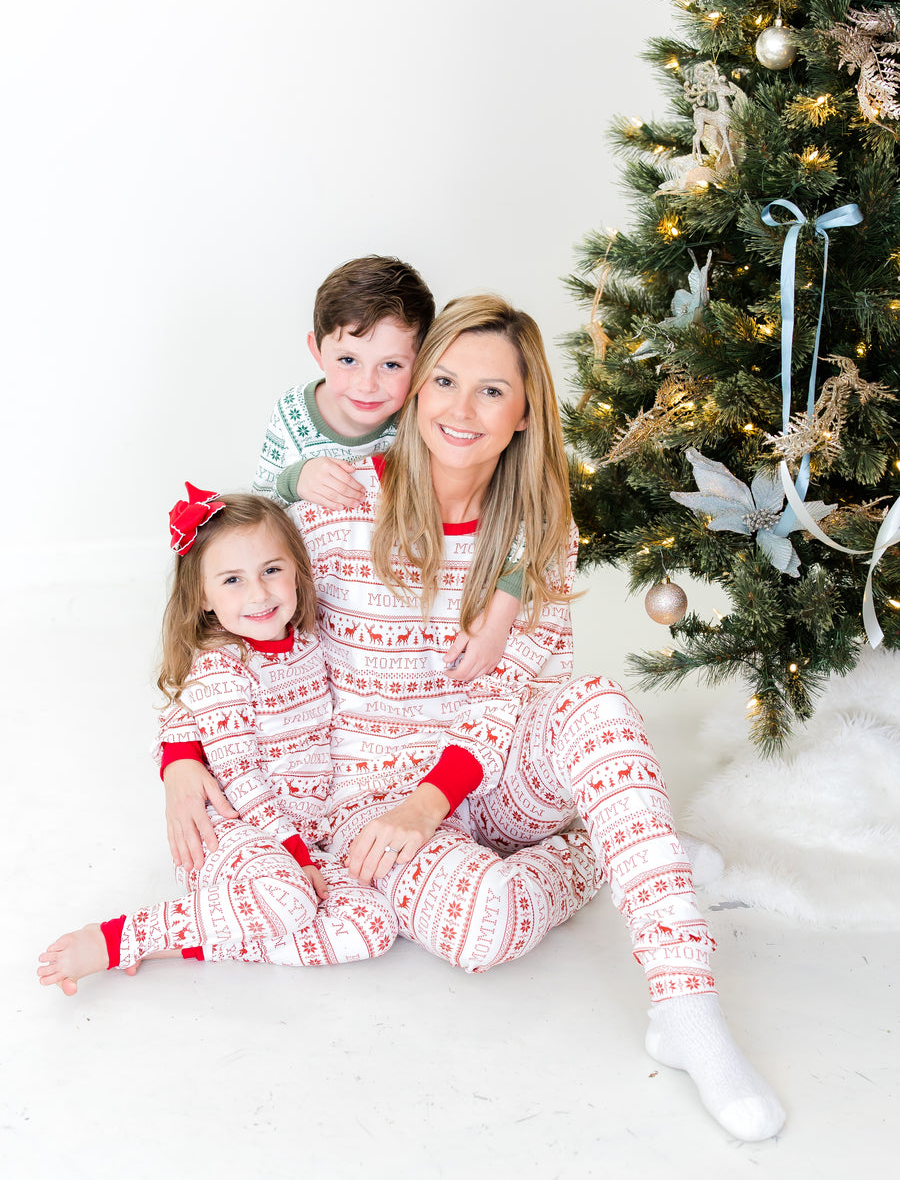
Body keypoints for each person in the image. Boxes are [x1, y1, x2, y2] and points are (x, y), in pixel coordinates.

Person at [162, 297, 786, 1142]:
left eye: (492, 391)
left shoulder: (539, 535)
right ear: (416, 391)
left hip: (489, 777)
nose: (461, 410)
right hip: (367, 807)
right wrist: (178, 753)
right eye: (445, 381)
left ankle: (688, 1011)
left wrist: (436, 798)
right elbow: (234, 610)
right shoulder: (336, 504)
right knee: (485, 928)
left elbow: (516, 686)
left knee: (596, 701)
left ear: (526, 412)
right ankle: (614, 852)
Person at [36, 488, 397, 995]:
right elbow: (239, 780)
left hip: (305, 839)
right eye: (232, 580)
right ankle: (118, 940)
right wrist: (297, 853)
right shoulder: (222, 670)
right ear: (203, 596)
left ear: (297, 570)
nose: (259, 593)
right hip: (238, 836)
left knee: (372, 925)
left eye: (272, 570)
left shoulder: (311, 644)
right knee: (289, 899)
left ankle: (204, 935)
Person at [251, 252, 521, 682]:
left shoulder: (424, 417)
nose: (367, 384)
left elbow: (497, 510)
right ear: (316, 350)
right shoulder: (291, 414)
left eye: (392, 365)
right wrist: (295, 477)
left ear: (423, 363)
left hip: (400, 589)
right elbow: (261, 503)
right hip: (317, 589)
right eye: (348, 360)